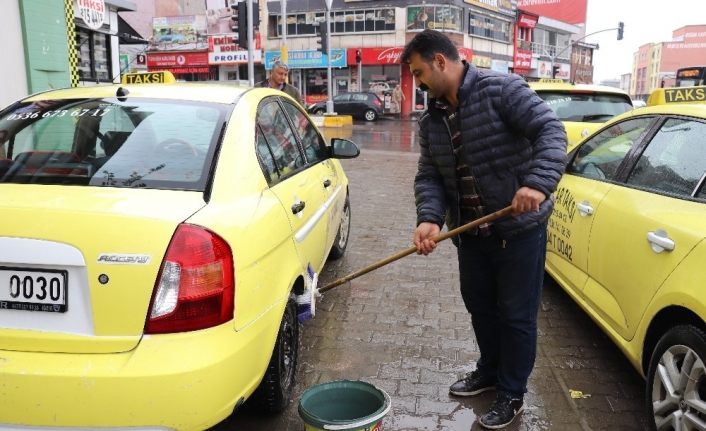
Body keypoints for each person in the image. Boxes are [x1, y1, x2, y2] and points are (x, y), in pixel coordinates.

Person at [401, 30, 567, 429]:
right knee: (480, 308)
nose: (418, 83)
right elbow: (430, 176)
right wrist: (429, 218)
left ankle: (512, 392)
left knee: (516, 315)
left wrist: (537, 184)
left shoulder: (501, 90)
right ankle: (490, 371)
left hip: (518, 230)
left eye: (420, 72)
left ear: (441, 61)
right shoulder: (432, 119)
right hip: (470, 235)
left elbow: (551, 132)